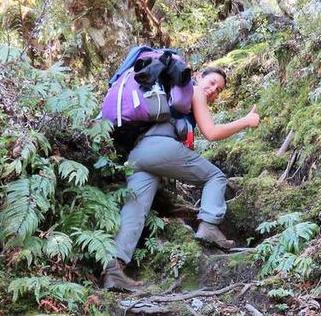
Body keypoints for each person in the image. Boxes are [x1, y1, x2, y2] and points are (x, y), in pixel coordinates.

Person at [102, 67, 261, 292]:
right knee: (215, 176)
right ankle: (209, 225)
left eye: (219, 89)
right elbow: (212, 132)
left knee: (135, 209)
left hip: (138, 155)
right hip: (160, 147)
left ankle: (113, 270)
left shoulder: (169, 99)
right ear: (198, 78)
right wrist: (246, 121)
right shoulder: (195, 92)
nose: (213, 90)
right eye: (212, 82)